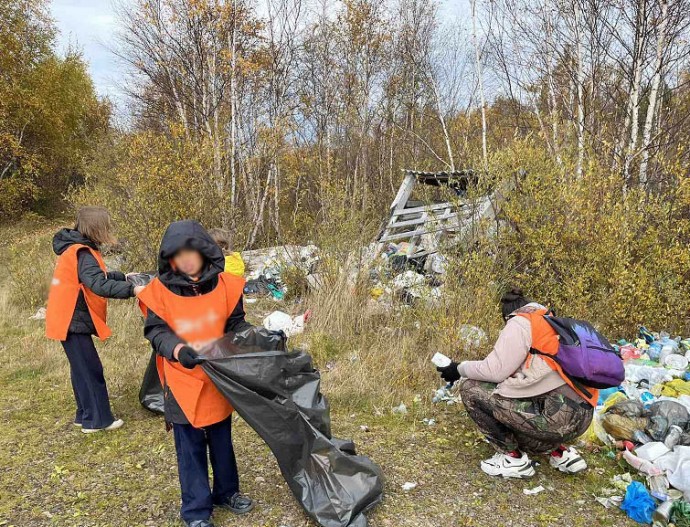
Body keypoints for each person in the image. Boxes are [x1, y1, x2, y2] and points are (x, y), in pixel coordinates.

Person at [138, 220, 254, 527]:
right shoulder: (158, 291)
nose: (185, 259)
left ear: (203, 250)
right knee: (189, 446)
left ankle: (227, 493)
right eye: (177, 254)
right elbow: (156, 332)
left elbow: (236, 324)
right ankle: (196, 511)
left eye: (190, 251)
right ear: (170, 259)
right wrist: (177, 350)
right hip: (182, 379)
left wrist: (251, 335)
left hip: (217, 375)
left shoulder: (228, 285)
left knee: (221, 437)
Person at [436, 288, 593, 479]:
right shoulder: (552, 323)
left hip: (555, 421)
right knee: (521, 399)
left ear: (507, 315)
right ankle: (560, 452)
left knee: (471, 389)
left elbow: (495, 370)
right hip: (582, 417)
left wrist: (458, 368)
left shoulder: (520, 322)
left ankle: (513, 458)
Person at [45, 206, 144, 433]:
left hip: (67, 318)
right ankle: (98, 421)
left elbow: (96, 276)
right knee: (90, 370)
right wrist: (133, 290)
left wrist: (123, 276)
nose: (109, 230)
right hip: (72, 319)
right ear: (97, 228)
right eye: (106, 226)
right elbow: (98, 284)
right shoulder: (82, 252)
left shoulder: (76, 248)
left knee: (81, 369)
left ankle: (85, 415)